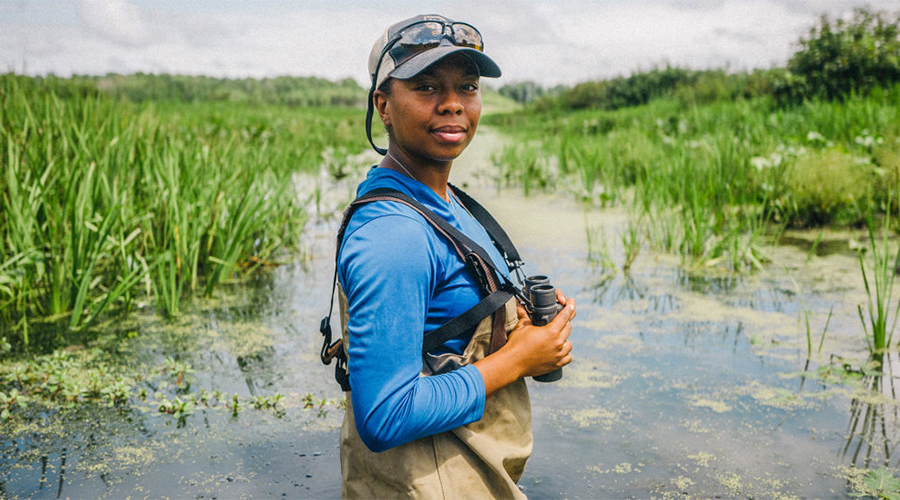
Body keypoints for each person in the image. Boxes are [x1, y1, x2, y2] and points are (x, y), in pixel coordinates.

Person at [329, 14, 576, 499]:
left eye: (467, 86)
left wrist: (517, 324)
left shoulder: (442, 199)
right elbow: (385, 415)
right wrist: (519, 359)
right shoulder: (393, 234)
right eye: (425, 87)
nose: (452, 105)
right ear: (383, 104)